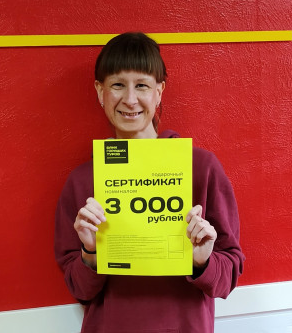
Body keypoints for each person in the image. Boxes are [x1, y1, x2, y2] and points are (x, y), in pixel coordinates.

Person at [54, 32, 244, 333]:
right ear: (100, 91)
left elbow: (227, 278)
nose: (130, 100)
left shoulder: (201, 168)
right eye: (118, 85)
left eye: (141, 85)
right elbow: (79, 290)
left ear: (159, 91)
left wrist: (202, 261)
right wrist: (90, 253)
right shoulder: (82, 181)